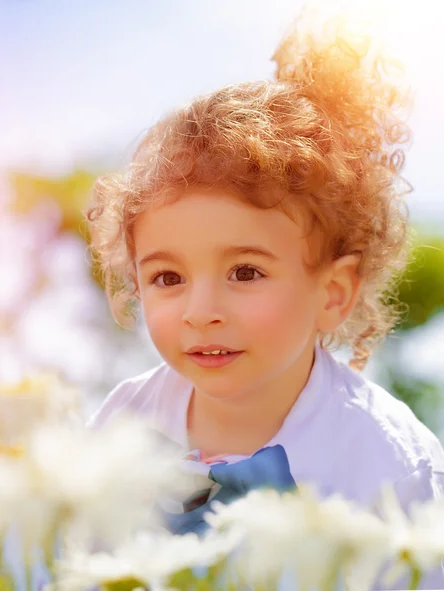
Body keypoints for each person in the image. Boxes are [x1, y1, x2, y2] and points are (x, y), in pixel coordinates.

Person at [84, 9, 444, 589]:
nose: (201, 311)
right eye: (168, 278)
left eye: (245, 272)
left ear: (332, 294)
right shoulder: (123, 425)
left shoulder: (392, 467)